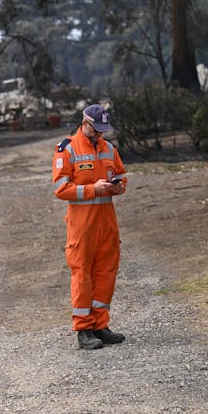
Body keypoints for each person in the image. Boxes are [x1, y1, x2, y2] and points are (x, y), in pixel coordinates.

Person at [51, 104, 127, 350]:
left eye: (102, 130)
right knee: (82, 273)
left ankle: (100, 326)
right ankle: (84, 329)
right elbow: (60, 188)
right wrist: (94, 188)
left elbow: (121, 175)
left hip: (107, 223)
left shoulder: (109, 148)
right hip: (82, 225)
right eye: (96, 129)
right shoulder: (68, 149)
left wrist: (118, 186)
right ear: (85, 123)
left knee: (106, 272)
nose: (99, 135)